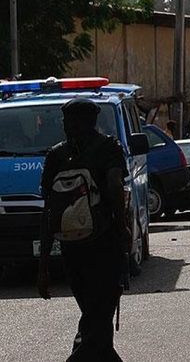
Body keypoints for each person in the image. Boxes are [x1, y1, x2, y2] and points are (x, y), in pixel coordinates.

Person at [38, 98, 130, 361]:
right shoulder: (108, 148)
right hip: (104, 244)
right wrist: (122, 226)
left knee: (94, 315)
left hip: (72, 248)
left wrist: (43, 266)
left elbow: (48, 211)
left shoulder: (56, 155)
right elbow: (115, 186)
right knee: (97, 317)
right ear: (94, 121)